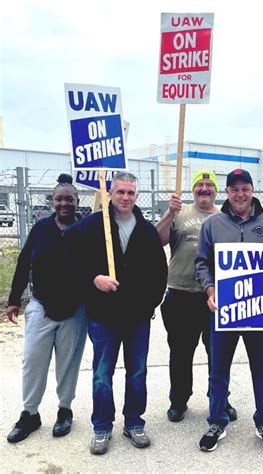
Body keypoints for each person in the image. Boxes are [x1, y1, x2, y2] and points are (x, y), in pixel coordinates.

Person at [65, 171, 168, 455]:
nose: (125, 197)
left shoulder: (146, 230)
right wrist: (93, 279)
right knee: (102, 374)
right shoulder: (91, 226)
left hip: (137, 317)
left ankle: (134, 422)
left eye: (130, 193)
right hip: (103, 316)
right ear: (110, 192)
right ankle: (101, 427)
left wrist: (149, 305)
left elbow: (160, 272)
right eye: (120, 192)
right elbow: (70, 262)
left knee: (137, 372)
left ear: (137, 195)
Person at [195, 168, 263, 453]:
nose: (239, 194)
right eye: (234, 189)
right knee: (218, 370)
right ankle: (217, 421)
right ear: (227, 193)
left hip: (257, 308)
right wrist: (210, 291)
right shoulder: (213, 223)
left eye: (244, 188)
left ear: (252, 190)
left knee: (262, 369)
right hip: (224, 309)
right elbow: (202, 263)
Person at [6, 174, 87, 443]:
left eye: (70, 199)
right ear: (52, 201)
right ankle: (30, 414)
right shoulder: (41, 228)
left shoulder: (86, 229)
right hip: (41, 305)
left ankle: (65, 410)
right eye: (59, 198)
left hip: (75, 309)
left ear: (77, 202)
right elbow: (23, 262)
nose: (64, 203)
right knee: (33, 360)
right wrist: (15, 299)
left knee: (69, 362)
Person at [156, 170, 237, 423]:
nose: (204, 189)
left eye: (209, 185)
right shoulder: (180, 212)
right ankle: (179, 400)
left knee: (218, 353)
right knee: (180, 352)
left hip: (216, 296)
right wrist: (169, 213)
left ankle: (219, 398)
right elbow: (156, 239)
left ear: (216, 190)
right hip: (180, 293)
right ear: (193, 190)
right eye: (199, 185)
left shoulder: (226, 217)